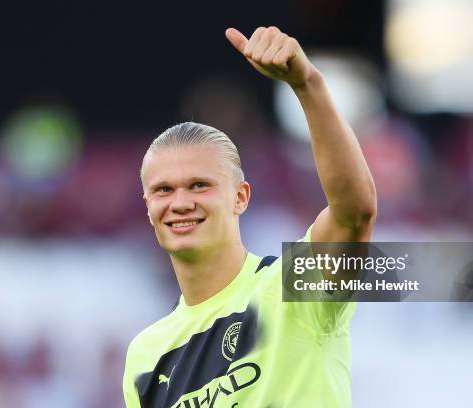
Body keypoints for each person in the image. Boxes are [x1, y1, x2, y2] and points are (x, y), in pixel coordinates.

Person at [123, 26, 376, 407]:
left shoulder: (291, 290)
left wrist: (307, 85)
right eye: (163, 190)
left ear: (240, 197)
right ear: (148, 207)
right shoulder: (145, 356)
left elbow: (354, 212)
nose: (179, 202)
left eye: (198, 186)